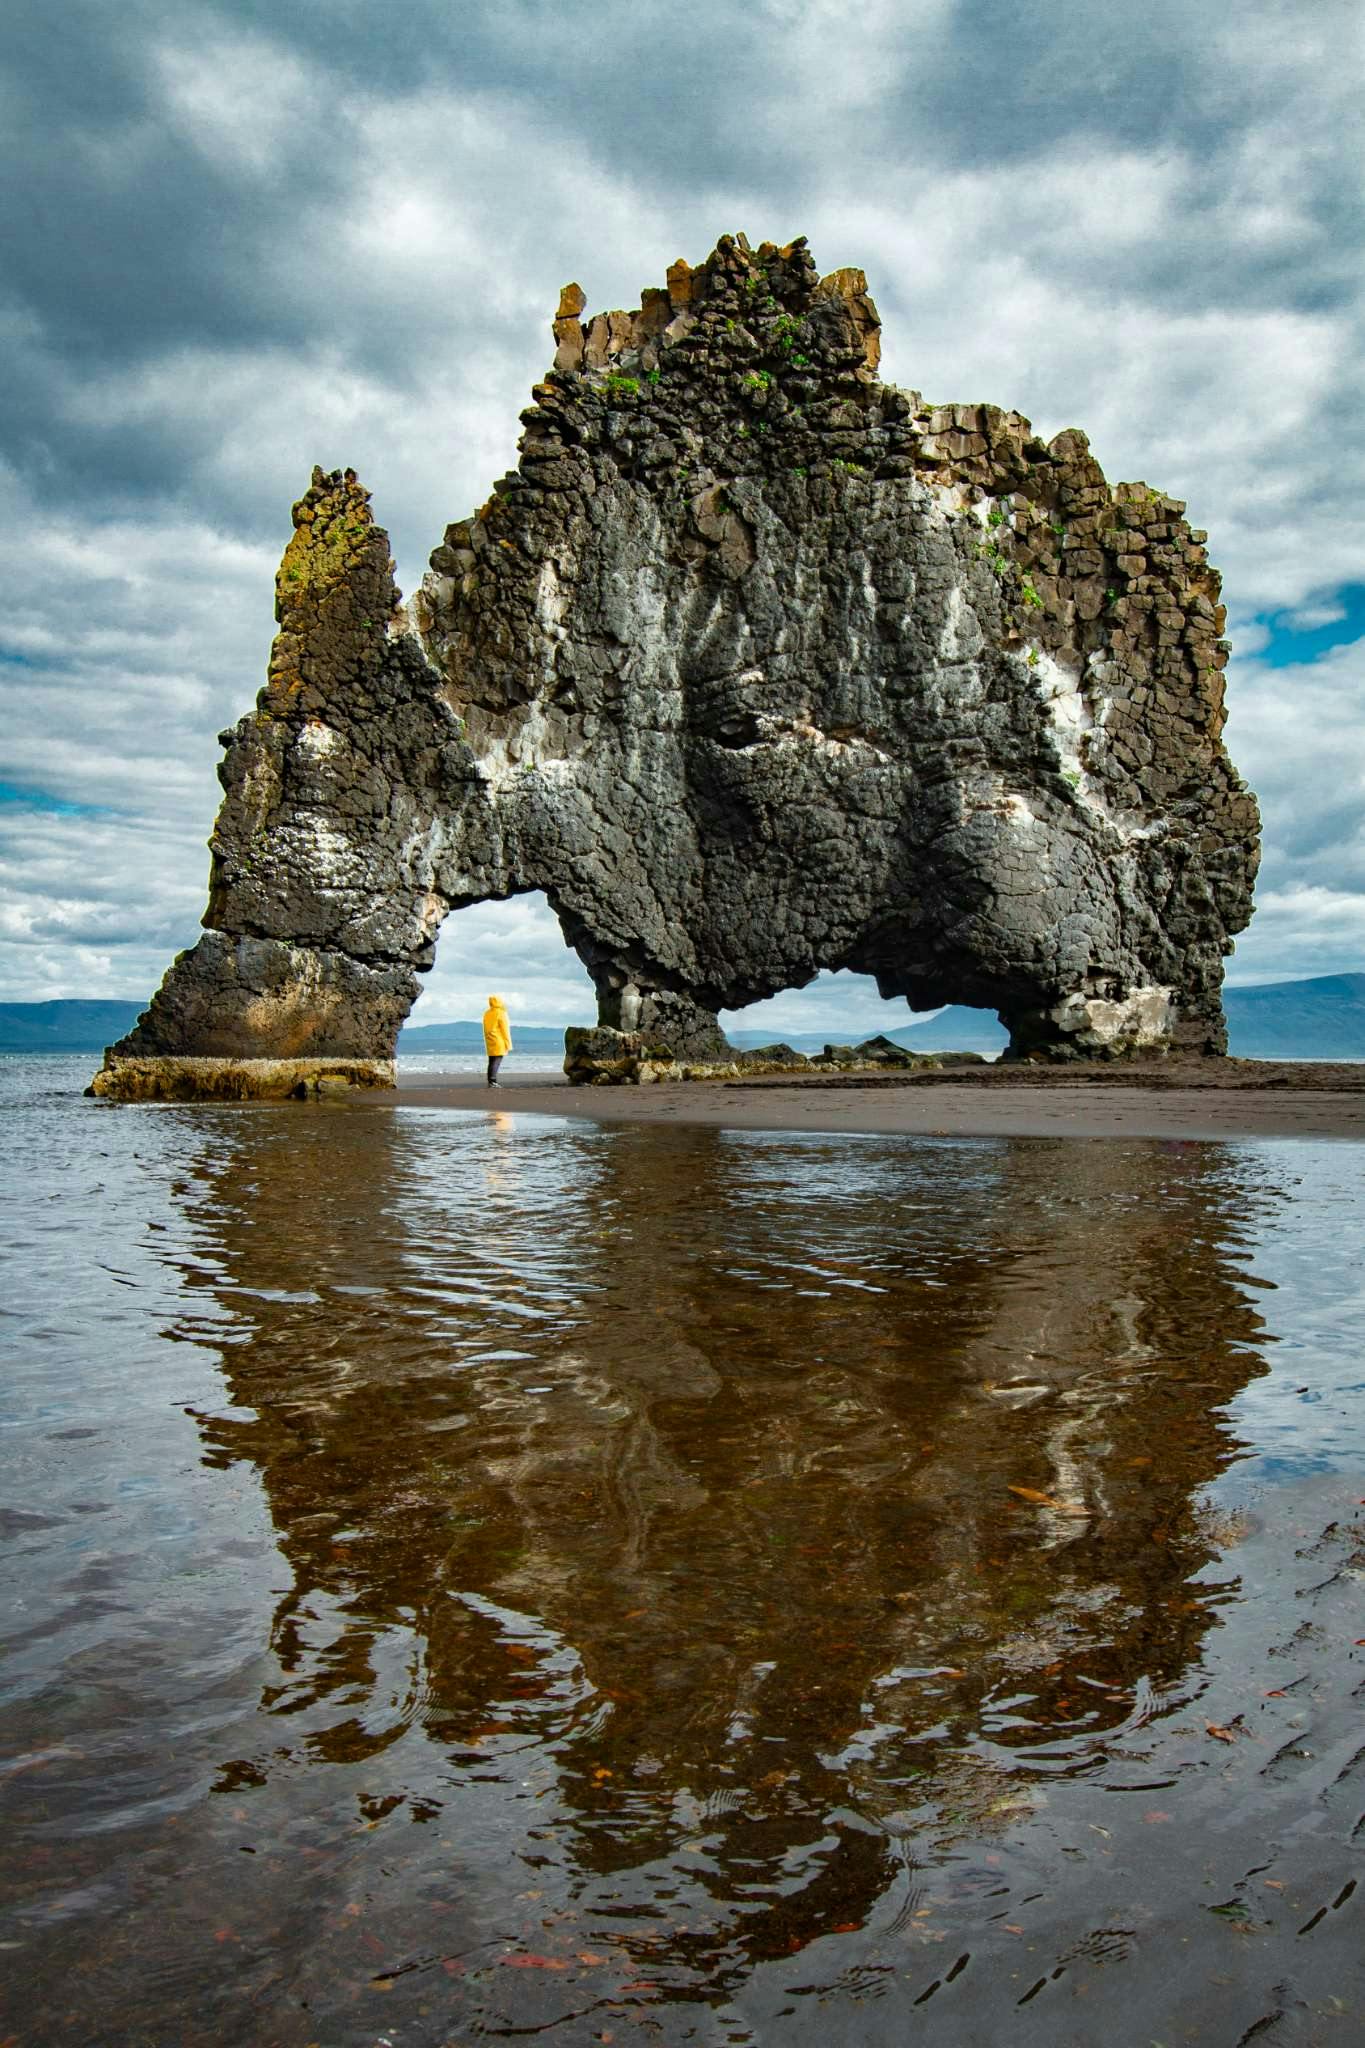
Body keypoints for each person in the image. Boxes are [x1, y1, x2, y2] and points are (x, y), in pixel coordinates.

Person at [482, 994, 512, 1087]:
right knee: (497, 1060)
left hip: (489, 1040)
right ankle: (493, 1082)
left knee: (491, 1060)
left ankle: (490, 1081)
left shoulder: (487, 1013)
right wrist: (508, 1043)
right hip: (499, 1040)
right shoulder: (501, 1013)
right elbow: (505, 1030)